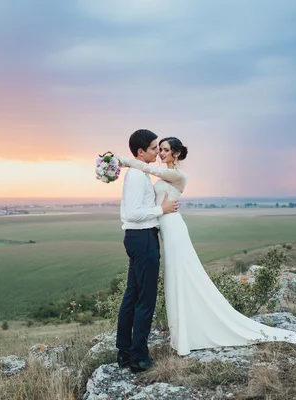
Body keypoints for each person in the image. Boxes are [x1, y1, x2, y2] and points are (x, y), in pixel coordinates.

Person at [116, 136, 296, 357]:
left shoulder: (178, 175)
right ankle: (181, 332)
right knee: (174, 280)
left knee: (181, 276)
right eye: (158, 149)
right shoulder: (151, 174)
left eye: (165, 150)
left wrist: (123, 161)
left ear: (175, 153)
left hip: (173, 230)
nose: (160, 153)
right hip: (160, 227)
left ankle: (187, 333)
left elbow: (150, 170)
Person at [116, 129, 179, 373]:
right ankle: (139, 357)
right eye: (154, 148)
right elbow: (133, 214)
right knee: (145, 299)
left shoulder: (140, 173)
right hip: (142, 238)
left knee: (132, 297)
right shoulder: (136, 176)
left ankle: (124, 353)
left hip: (138, 238)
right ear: (141, 152)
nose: (157, 152)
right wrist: (160, 209)